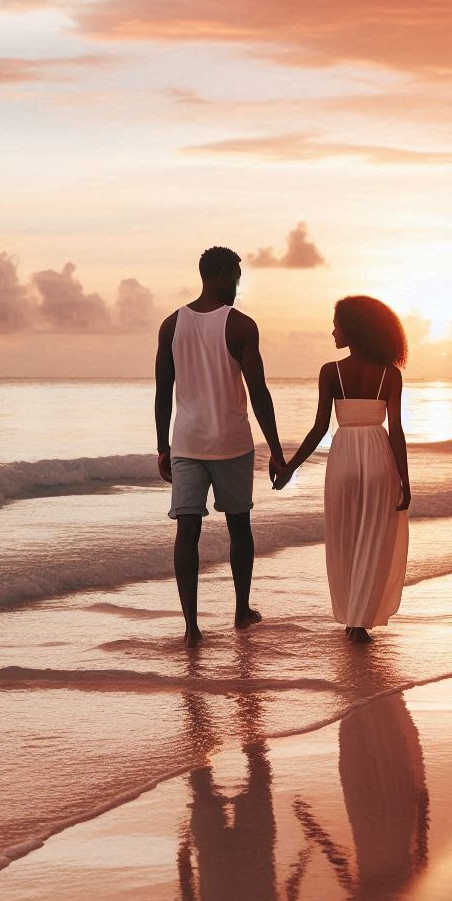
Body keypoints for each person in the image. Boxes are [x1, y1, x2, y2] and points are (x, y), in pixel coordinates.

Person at [155, 246, 286, 647]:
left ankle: (192, 627)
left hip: (187, 443)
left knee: (187, 530)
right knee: (239, 526)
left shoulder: (171, 324)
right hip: (230, 442)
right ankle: (241, 611)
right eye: (236, 277)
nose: (238, 285)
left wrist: (163, 446)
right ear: (222, 274)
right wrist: (277, 451)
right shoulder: (242, 326)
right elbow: (259, 392)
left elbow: (164, 391)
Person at [273, 295, 410, 643]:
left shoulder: (330, 372)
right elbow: (396, 430)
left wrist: (291, 467)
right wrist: (405, 479)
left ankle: (352, 617)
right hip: (381, 458)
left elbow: (320, 429)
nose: (332, 331)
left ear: (353, 329)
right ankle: (360, 621)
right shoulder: (389, 375)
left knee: (345, 537)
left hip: (344, 457)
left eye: (336, 324)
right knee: (374, 539)